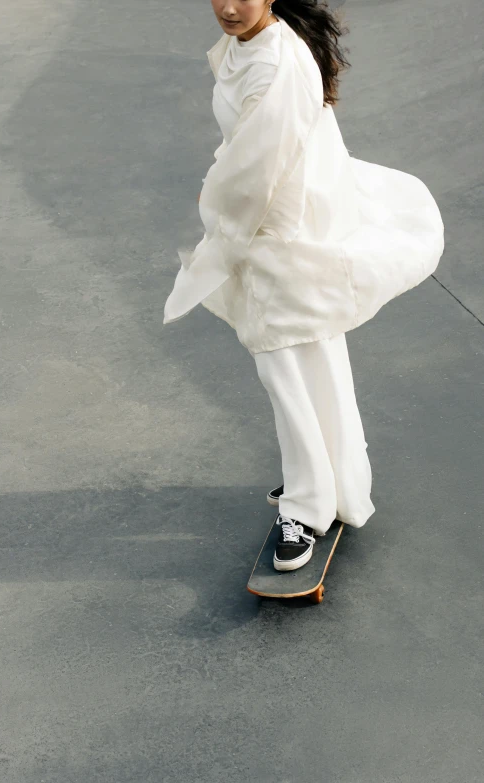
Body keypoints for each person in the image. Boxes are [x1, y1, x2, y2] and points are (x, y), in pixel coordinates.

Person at [163, 1, 444, 572]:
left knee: (282, 366)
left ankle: (307, 508)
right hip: (284, 223)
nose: (229, 6)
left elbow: (257, 167)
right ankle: (342, 485)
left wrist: (212, 202)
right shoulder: (255, 45)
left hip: (277, 231)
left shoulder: (277, 62)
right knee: (312, 354)